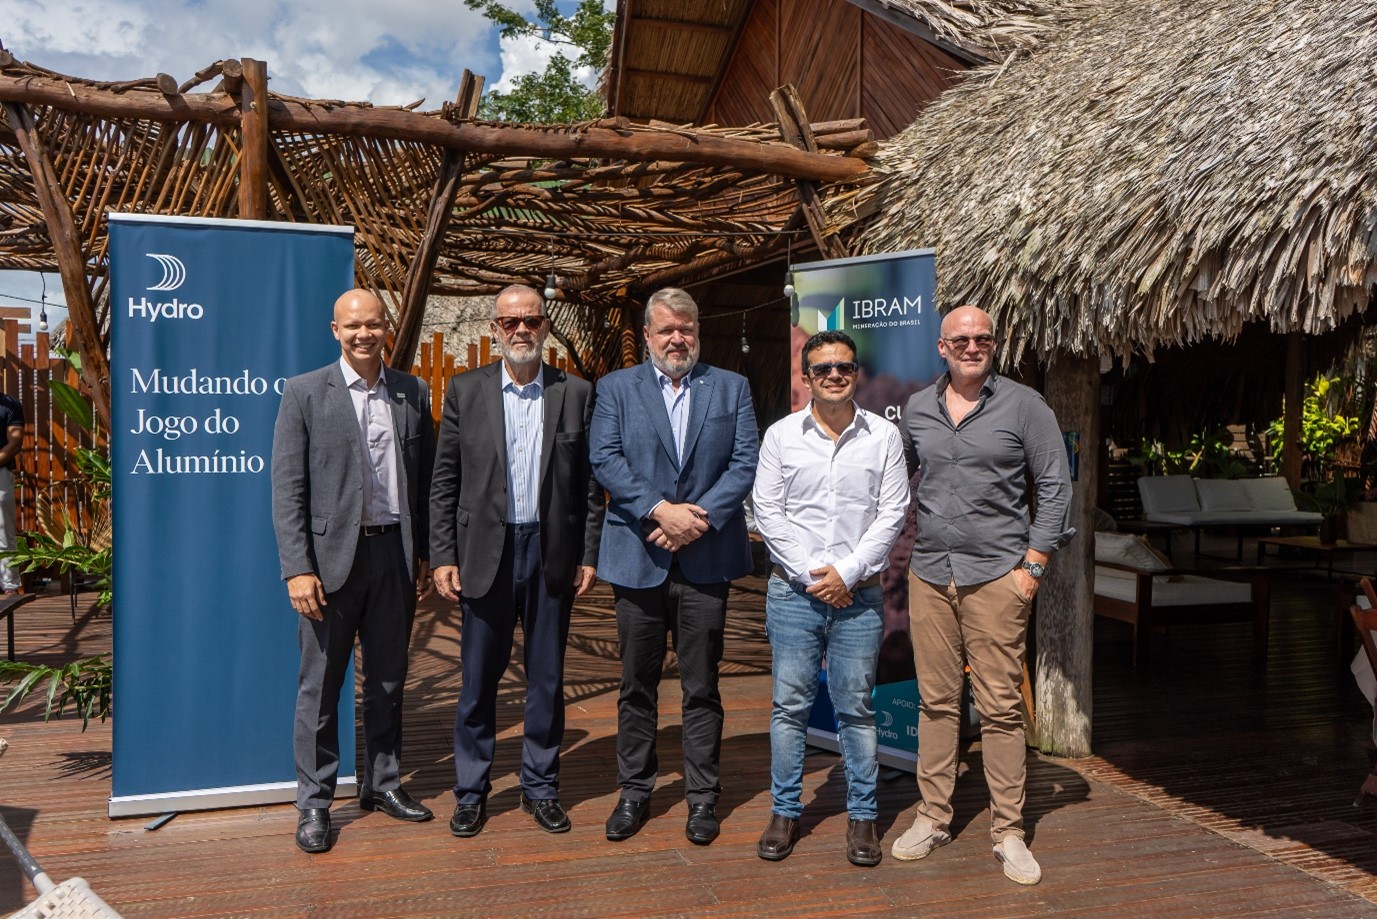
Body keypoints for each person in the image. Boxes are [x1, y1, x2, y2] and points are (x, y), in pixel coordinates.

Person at [891, 304, 1072, 885]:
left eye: (983, 339)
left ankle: (1009, 830)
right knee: (937, 701)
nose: (973, 346)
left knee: (999, 705)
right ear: (941, 348)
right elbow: (897, 480)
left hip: (997, 575)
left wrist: (1033, 568)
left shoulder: (1025, 405)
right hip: (930, 575)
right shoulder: (918, 408)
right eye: (962, 339)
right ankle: (933, 816)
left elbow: (1055, 484)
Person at [430, 285, 603, 838]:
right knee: (478, 680)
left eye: (530, 320)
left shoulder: (575, 392)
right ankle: (471, 791)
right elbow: (445, 482)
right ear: (495, 329)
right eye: (510, 322)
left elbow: (591, 487)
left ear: (546, 326)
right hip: (486, 553)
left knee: (547, 679)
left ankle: (540, 787)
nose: (521, 330)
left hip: (551, 552)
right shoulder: (464, 390)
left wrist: (589, 554)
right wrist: (442, 557)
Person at [589, 287, 758, 844]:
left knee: (702, 685)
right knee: (636, 685)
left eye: (686, 328)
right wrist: (662, 511)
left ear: (698, 331)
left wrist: (696, 519)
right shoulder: (616, 388)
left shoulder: (730, 387)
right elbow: (605, 458)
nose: (678, 338)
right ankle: (635, 790)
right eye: (667, 330)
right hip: (638, 557)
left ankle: (702, 798)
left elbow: (744, 462)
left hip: (706, 558)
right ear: (648, 336)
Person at [271, 288, 436, 854]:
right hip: (330, 564)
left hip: (393, 555)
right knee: (320, 688)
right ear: (334, 330)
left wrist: (426, 555)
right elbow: (287, 490)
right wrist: (298, 568)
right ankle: (314, 804)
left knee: (388, 680)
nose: (363, 334)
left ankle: (382, 784)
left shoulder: (413, 392)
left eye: (373, 324)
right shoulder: (304, 393)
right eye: (352, 326)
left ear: (386, 328)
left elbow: (425, 481)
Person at [751, 330, 909, 867]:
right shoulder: (780, 436)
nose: (835, 375)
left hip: (859, 596)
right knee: (789, 708)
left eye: (844, 366)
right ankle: (784, 811)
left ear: (857, 373)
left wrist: (845, 573)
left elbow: (892, 514)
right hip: (793, 595)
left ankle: (863, 818)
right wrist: (813, 576)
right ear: (807, 378)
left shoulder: (884, 437)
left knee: (857, 710)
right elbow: (768, 512)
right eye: (823, 369)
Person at [0, 392, 23, 595]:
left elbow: (15, 442)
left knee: (4, 531)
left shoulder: (9, 405)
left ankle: (10, 585)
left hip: (1, 472)